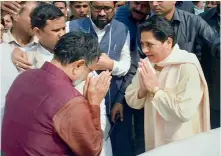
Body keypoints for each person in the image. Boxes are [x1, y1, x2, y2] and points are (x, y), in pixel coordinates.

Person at [2, 31, 112, 156]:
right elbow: (91, 150)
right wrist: (94, 104)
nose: (88, 76)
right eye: (89, 70)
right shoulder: (70, 100)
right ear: (79, 65)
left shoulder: (24, 76)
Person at [125, 15, 210, 151]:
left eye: (150, 44)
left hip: (181, 141)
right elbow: (131, 101)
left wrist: (154, 90)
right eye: (142, 44)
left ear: (168, 42)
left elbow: (183, 112)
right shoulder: (147, 64)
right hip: (154, 138)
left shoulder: (187, 65)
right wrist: (142, 89)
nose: (145, 50)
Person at [68, 2, 131, 155]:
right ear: (90, 6)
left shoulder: (122, 29)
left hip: (111, 101)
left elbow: (126, 65)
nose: (102, 13)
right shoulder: (70, 27)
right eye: (97, 8)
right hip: (78, 103)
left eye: (107, 9)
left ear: (115, 7)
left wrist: (110, 64)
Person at [113, 2, 151, 155]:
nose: (139, 9)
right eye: (136, 3)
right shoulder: (117, 16)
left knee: (144, 133)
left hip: (144, 87)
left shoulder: (154, 22)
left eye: (144, 5)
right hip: (117, 86)